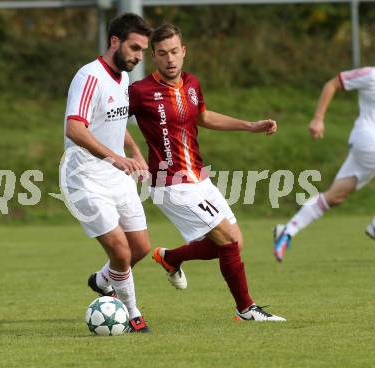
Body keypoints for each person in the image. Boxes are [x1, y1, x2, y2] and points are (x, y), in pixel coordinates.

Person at [128, 24, 286, 321]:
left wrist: (249, 125)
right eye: (162, 54)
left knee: (233, 242)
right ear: (154, 56)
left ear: (184, 51)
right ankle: (246, 309)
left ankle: (170, 257)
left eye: (174, 52)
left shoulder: (191, 83)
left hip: (199, 178)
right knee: (226, 239)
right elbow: (110, 120)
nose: (170, 59)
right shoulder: (140, 92)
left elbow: (203, 116)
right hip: (170, 184)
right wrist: (127, 156)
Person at [59, 13, 152, 332]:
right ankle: (132, 313)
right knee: (121, 251)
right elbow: (75, 128)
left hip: (116, 175)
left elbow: (114, 120)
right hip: (84, 177)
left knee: (140, 248)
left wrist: (135, 152)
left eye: (142, 50)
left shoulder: (123, 78)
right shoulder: (89, 76)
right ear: (115, 41)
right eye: (135, 48)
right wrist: (115, 157)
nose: (139, 57)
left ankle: (102, 281)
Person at [273, 67, 375, 262]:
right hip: (368, 141)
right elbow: (333, 83)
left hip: (364, 147)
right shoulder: (370, 75)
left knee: (336, 196)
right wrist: (318, 118)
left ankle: (288, 230)